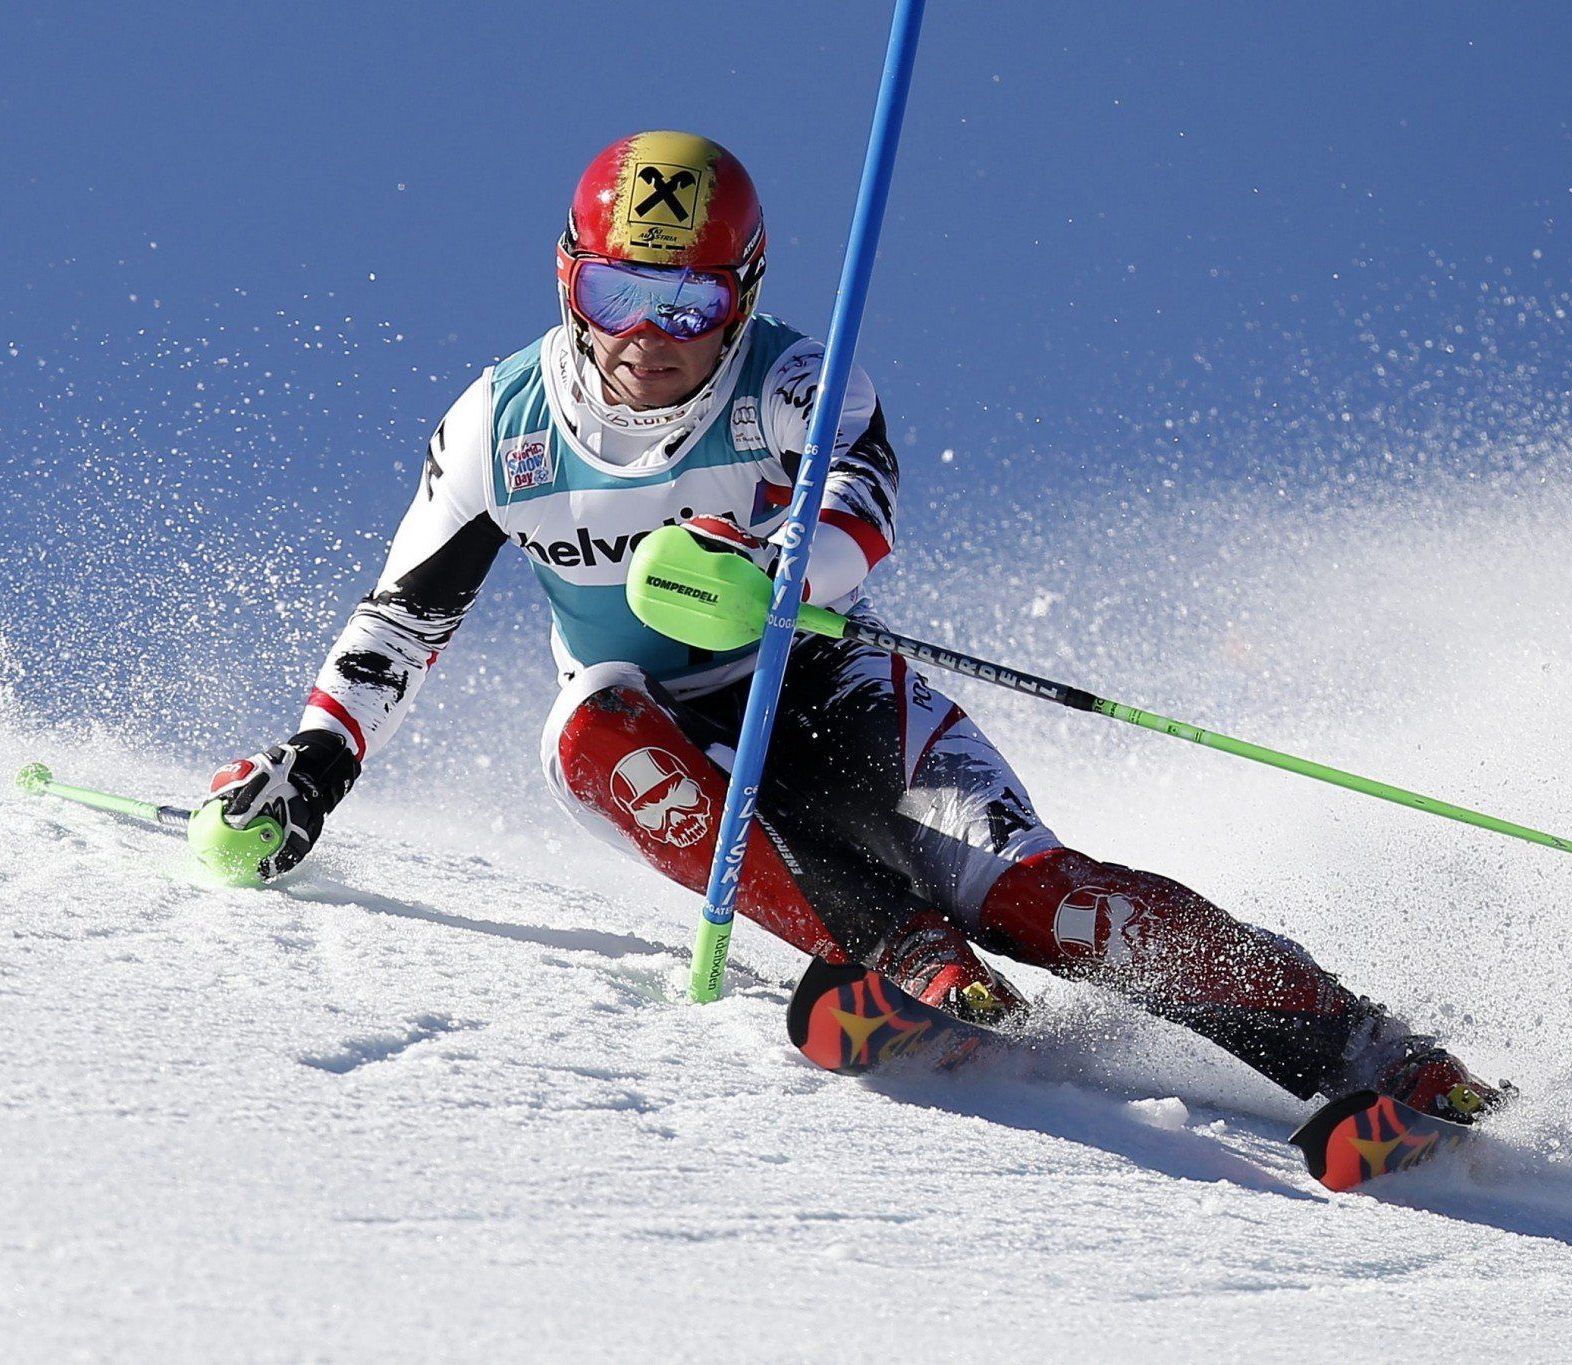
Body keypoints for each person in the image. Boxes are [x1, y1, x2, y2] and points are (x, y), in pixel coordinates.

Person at [208, 131, 1503, 1122]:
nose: (648, 342)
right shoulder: (499, 428)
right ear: (568, 279)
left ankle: (1372, 1051)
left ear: (743, 294)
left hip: (834, 691)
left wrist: (783, 573)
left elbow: (858, 498)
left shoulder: (791, 377)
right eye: (618, 294)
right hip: (672, 742)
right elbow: (403, 614)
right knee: (585, 718)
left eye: (690, 306)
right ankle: (903, 959)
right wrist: (312, 769)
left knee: (1039, 893)